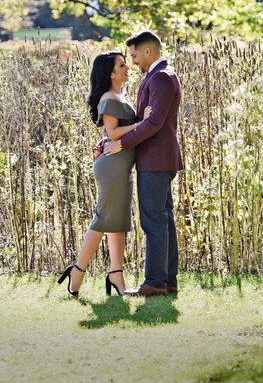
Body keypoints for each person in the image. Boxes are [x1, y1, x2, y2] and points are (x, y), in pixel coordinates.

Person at [57, 51, 150, 297]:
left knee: (116, 221)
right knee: (103, 219)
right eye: (122, 65)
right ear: (111, 73)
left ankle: (116, 274)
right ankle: (77, 270)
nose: (127, 68)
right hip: (112, 167)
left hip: (121, 166)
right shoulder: (109, 98)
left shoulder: (119, 96)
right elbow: (114, 133)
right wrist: (144, 123)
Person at [98, 30, 182, 297]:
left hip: (156, 159)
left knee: (153, 221)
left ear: (148, 51)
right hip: (157, 159)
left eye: (134, 56)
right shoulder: (157, 76)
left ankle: (155, 282)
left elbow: (154, 122)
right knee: (163, 221)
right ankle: (167, 280)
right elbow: (143, 122)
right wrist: (109, 140)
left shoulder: (161, 78)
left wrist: (121, 144)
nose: (132, 62)